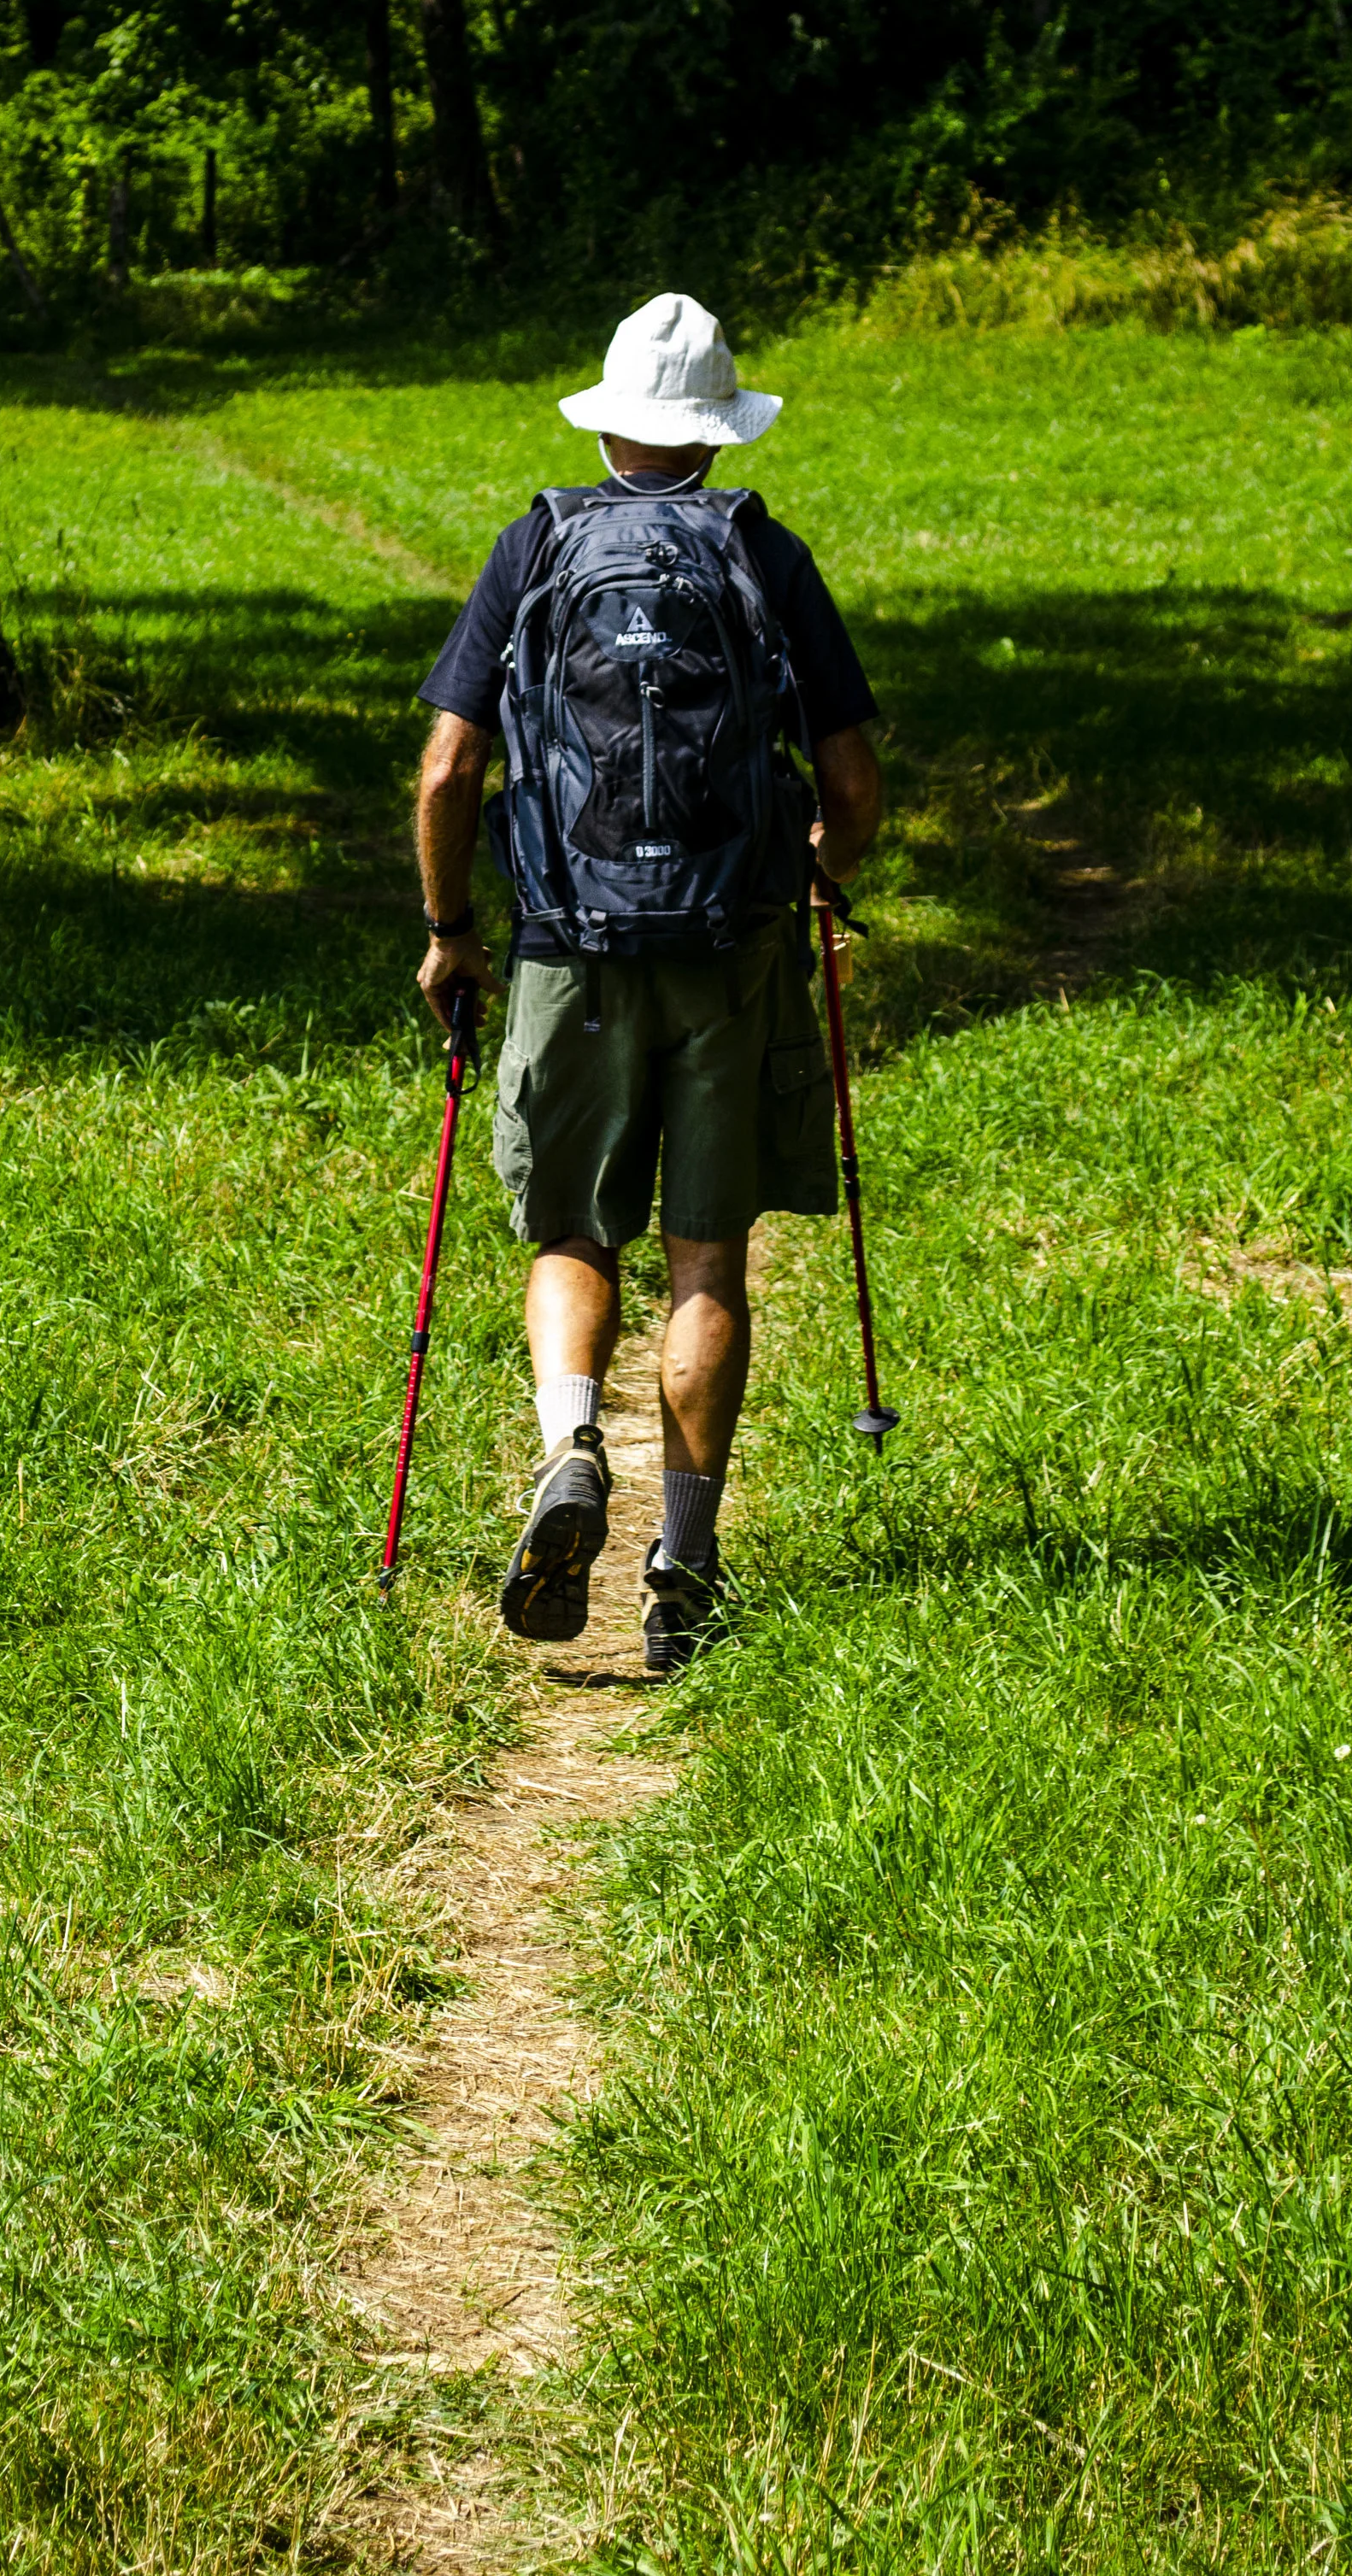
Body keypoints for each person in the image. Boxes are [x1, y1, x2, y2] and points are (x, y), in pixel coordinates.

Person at [412, 291, 884, 1674]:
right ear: (718, 434)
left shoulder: (540, 543)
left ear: (610, 419)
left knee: (570, 1228)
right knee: (707, 1252)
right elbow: (853, 782)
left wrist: (451, 931)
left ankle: (569, 1446)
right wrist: (813, 867)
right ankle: (683, 1560)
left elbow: (448, 768)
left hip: (571, 943)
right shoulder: (762, 552)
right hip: (731, 945)